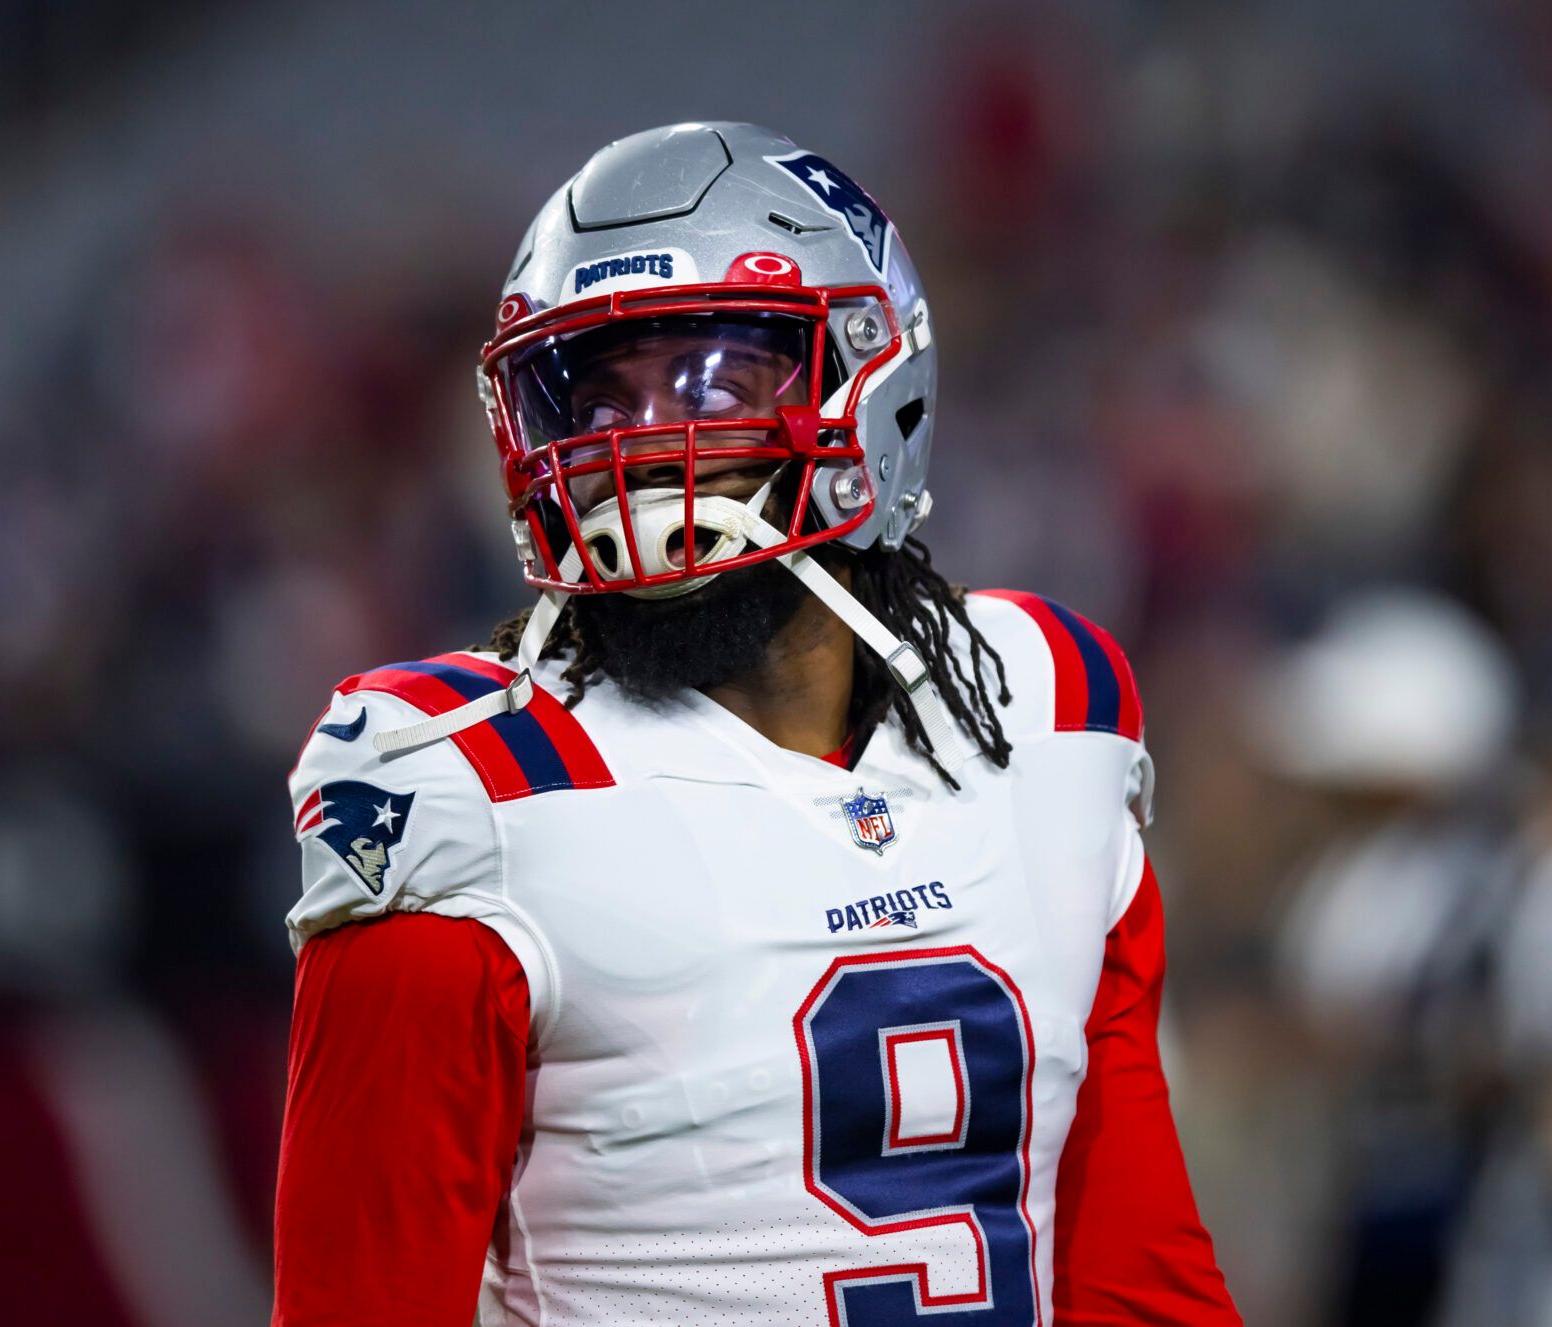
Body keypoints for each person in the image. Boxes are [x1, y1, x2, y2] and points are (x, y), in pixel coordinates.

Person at [271, 121, 1240, 1326]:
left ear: (874, 380)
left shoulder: (1045, 710)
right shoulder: (470, 787)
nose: (638, 447)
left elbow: (1135, 1276)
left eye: (712, 382)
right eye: (595, 397)